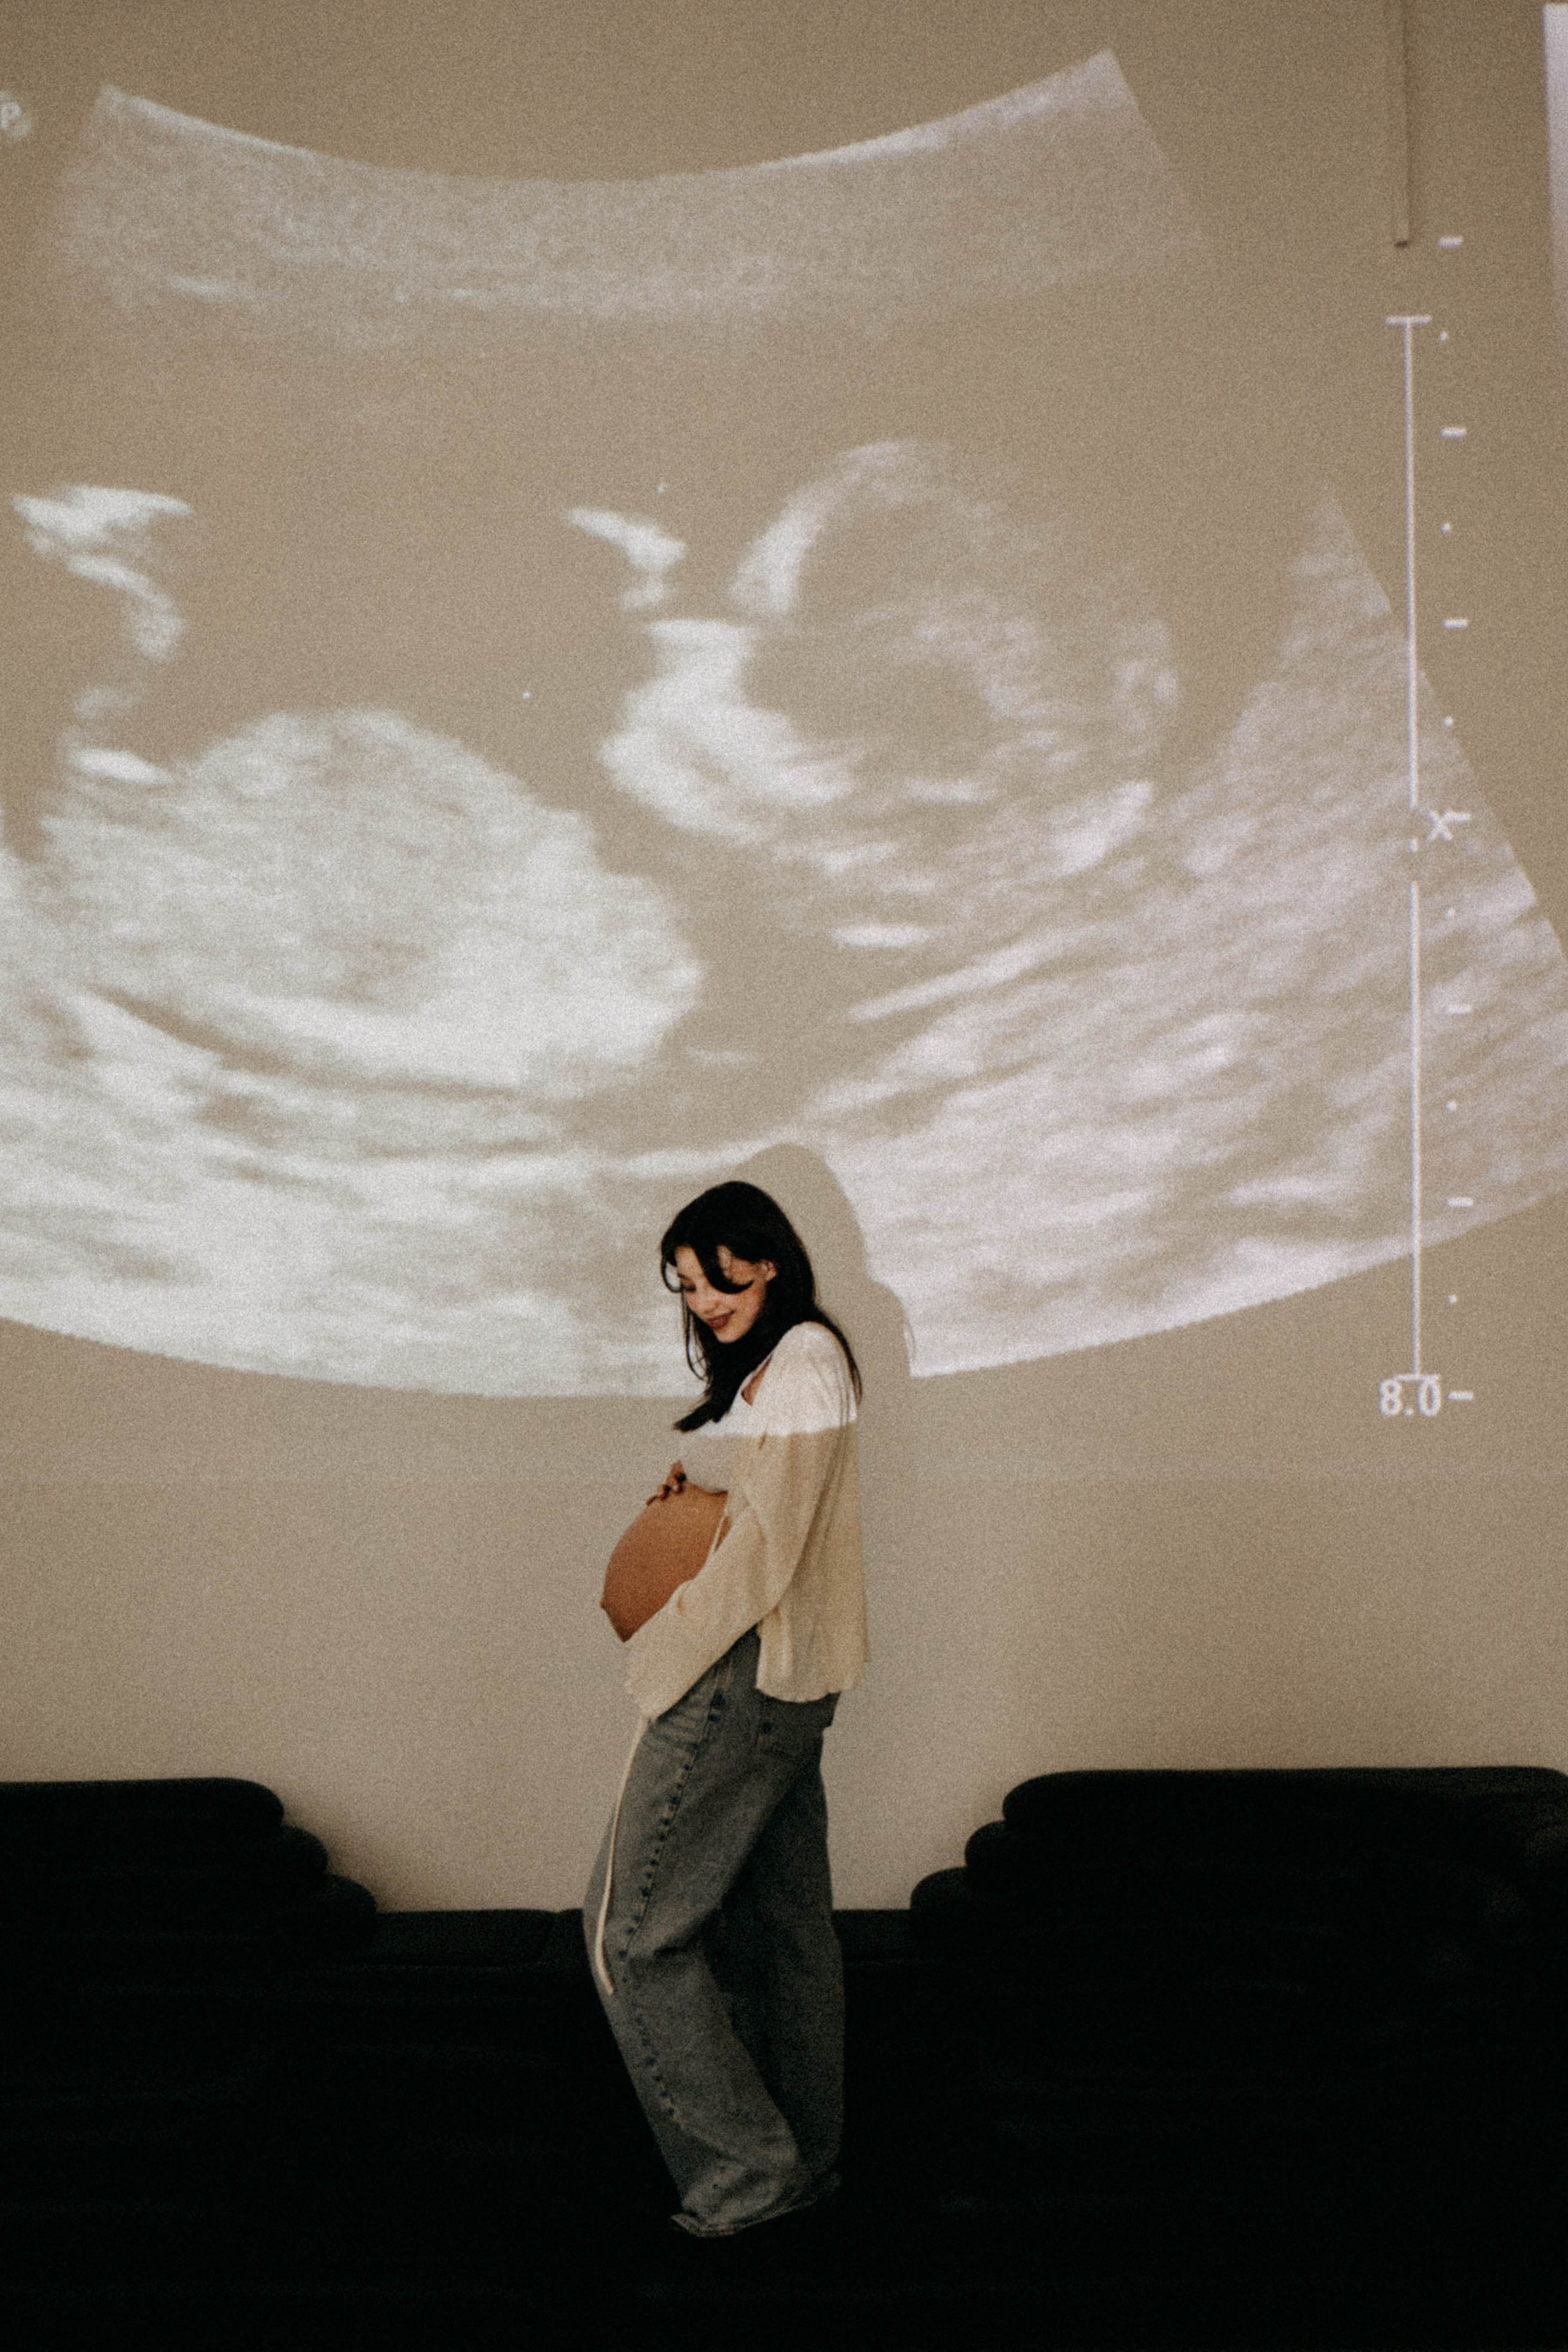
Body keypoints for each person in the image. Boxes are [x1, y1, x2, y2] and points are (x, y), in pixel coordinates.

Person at [583, 1180, 867, 2242]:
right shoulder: (793, 1368)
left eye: (721, 1274)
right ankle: (802, 2165)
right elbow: (756, 1525)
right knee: (780, 1932)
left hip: (740, 1675)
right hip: (785, 1684)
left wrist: (659, 1655)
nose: (704, 1298)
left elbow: (763, 1557)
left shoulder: (802, 1364)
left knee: (632, 1937)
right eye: (688, 1282)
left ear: (772, 1261)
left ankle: (750, 2178)